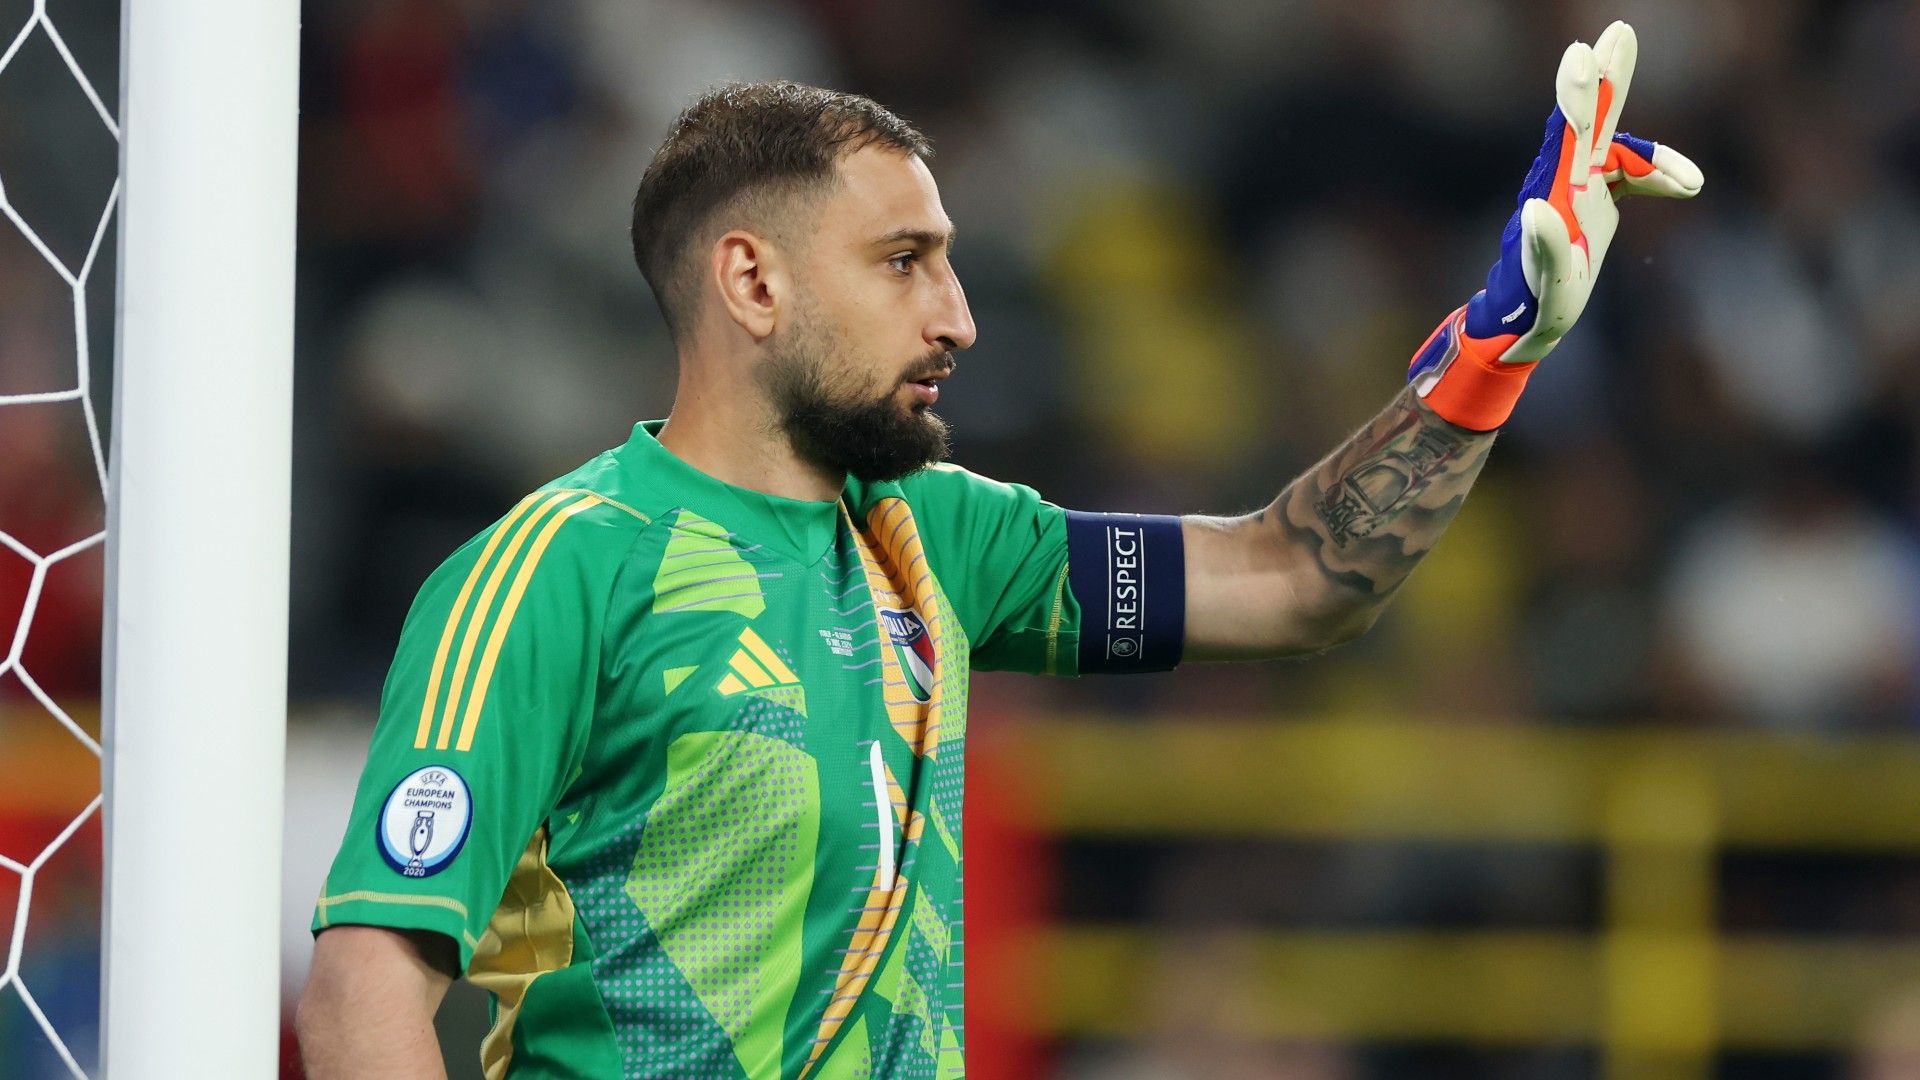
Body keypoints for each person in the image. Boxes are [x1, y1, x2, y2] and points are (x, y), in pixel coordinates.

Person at [296, 21, 1700, 1079]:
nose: (960, 316)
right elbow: (368, 980)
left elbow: (1292, 580)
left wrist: (1492, 356)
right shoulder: (557, 569)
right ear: (751, 281)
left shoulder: (947, 539)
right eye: (904, 262)